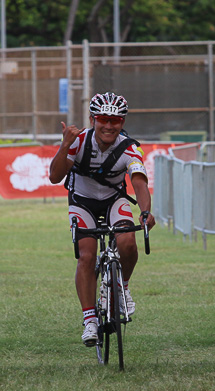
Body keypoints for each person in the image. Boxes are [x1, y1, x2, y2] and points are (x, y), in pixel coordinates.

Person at [48, 92, 155, 346]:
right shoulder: (78, 141)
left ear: (123, 122)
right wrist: (65, 145)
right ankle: (90, 321)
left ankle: (122, 288)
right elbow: (54, 177)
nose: (109, 125)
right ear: (92, 119)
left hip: (113, 200)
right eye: (103, 119)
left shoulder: (130, 147)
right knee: (86, 254)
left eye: (115, 120)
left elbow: (139, 182)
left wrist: (146, 210)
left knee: (128, 241)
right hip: (82, 201)